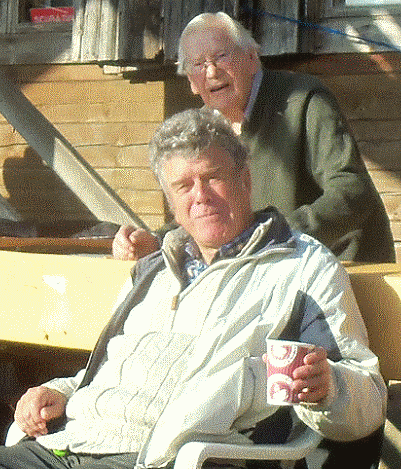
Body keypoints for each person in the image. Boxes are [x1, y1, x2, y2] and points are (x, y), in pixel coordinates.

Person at [0, 108, 387, 469]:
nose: (200, 195)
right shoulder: (153, 270)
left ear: (245, 179)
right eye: (183, 185)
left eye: (213, 177)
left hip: (171, 455)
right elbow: (109, 369)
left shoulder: (301, 266)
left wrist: (329, 387)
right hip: (71, 442)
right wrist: (59, 390)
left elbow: (366, 394)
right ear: (170, 201)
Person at [112, 12, 395, 264]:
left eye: (221, 56)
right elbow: (203, 208)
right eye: (198, 64)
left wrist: (277, 234)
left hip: (341, 264)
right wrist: (154, 241)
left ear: (251, 58)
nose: (211, 72)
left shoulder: (303, 99)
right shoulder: (204, 127)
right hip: (263, 268)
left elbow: (352, 190)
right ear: (190, 81)